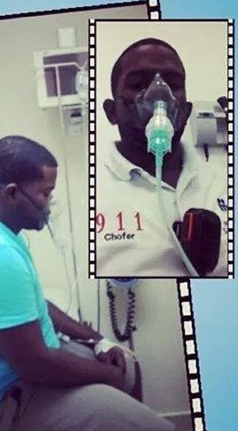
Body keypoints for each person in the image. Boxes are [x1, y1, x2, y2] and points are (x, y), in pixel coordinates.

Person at [0, 135, 174, 431]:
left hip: (31, 365)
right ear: (12, 194)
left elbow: (36, 304)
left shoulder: (3, 234)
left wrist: (98, 340)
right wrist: (108, 377)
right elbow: (34, 364)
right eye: (46, 193)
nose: (50, 204)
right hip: (2, 401)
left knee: (128, 365)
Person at [96, 37, 228, 277]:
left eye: (174, 84)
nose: (159, 95)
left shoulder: (224, 182)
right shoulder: (93, 193)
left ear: (186, 111)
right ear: (111, 112)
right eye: (138, 84)